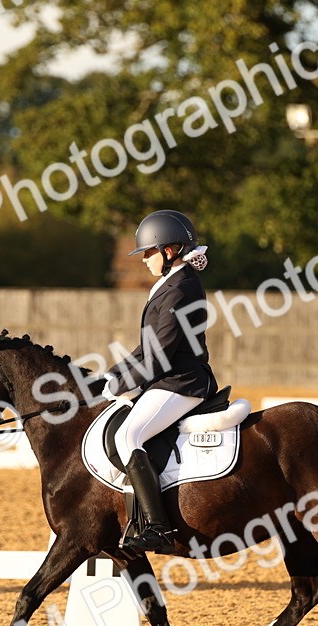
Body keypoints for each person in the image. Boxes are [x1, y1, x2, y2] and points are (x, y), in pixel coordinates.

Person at [102, 210, 217, 557]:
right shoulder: (172, 282)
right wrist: (112, 375)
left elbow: (159, 356)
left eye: (149, 252)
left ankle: (158, 527)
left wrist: (122, 385)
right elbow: (145, 349)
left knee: (128, 436)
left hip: (181, 382)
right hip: (167, 379)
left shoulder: (180, 288)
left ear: (170, 250)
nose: (144, 259)